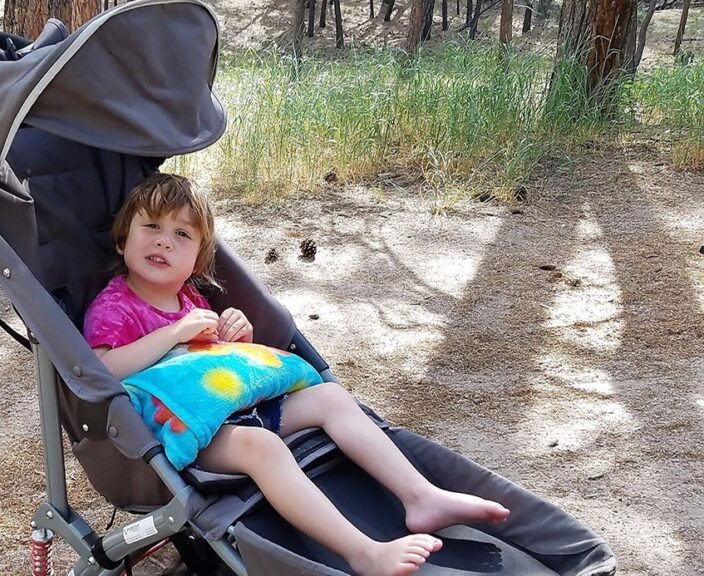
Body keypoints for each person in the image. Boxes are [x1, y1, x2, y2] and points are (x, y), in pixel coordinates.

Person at [83, 173, 511, 576]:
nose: (164, 242)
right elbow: (102, 371)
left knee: (330, 397)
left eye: (182, 234)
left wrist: (235, 341)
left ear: (197, 260)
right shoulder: (115, 307)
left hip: (237, 408)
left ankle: (421, 497)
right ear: (123, 241)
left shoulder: (191, 299)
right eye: (152, 227)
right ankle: (362, 552)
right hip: (186, 435)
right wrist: (175, 333)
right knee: (263, 447)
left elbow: (210, 367)